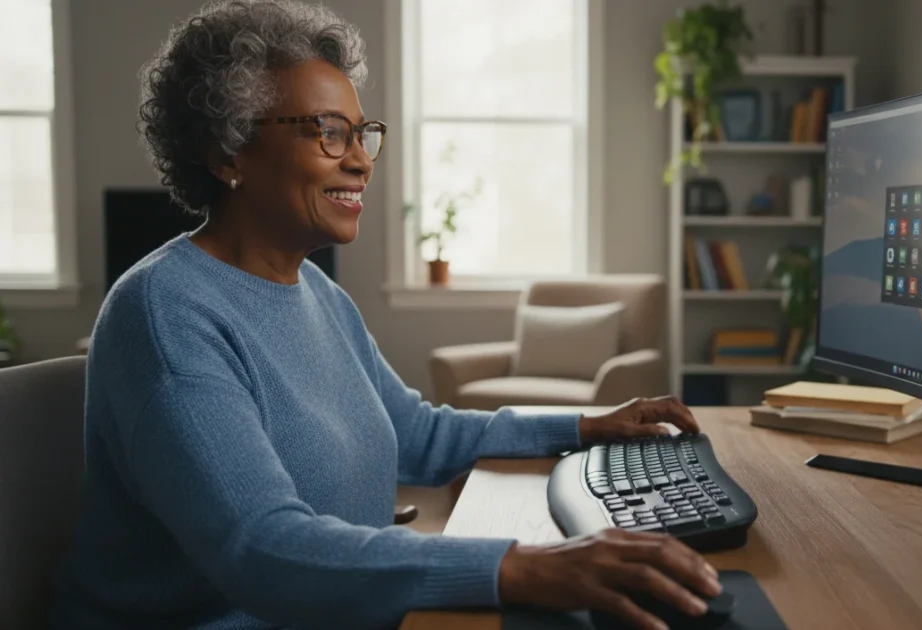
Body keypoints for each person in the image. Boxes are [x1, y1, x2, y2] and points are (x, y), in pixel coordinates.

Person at [49, 1, 719, 629]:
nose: (362, 161)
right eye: (328, 132)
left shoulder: (319, 294)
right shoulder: (165, 314)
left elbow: (418, 434)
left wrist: (584, 424)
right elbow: (259, 548)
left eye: (363, 133)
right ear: (227, 154)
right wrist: (518, 565)